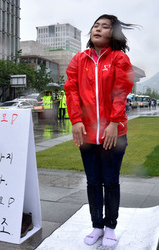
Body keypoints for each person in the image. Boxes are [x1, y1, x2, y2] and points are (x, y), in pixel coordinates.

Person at [64, 14, 135, 247]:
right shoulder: (79, 59)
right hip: (87, 135)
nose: (98, 29)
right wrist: (75, 120)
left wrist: (115, 122)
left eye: (105, 27)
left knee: (111, 181)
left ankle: (111, 226)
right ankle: (96, 226)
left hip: (113, 133)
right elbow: (71, 90)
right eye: (96, 25)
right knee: (93, 182)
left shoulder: (119, 58)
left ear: (112, 34)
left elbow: (120, 90)